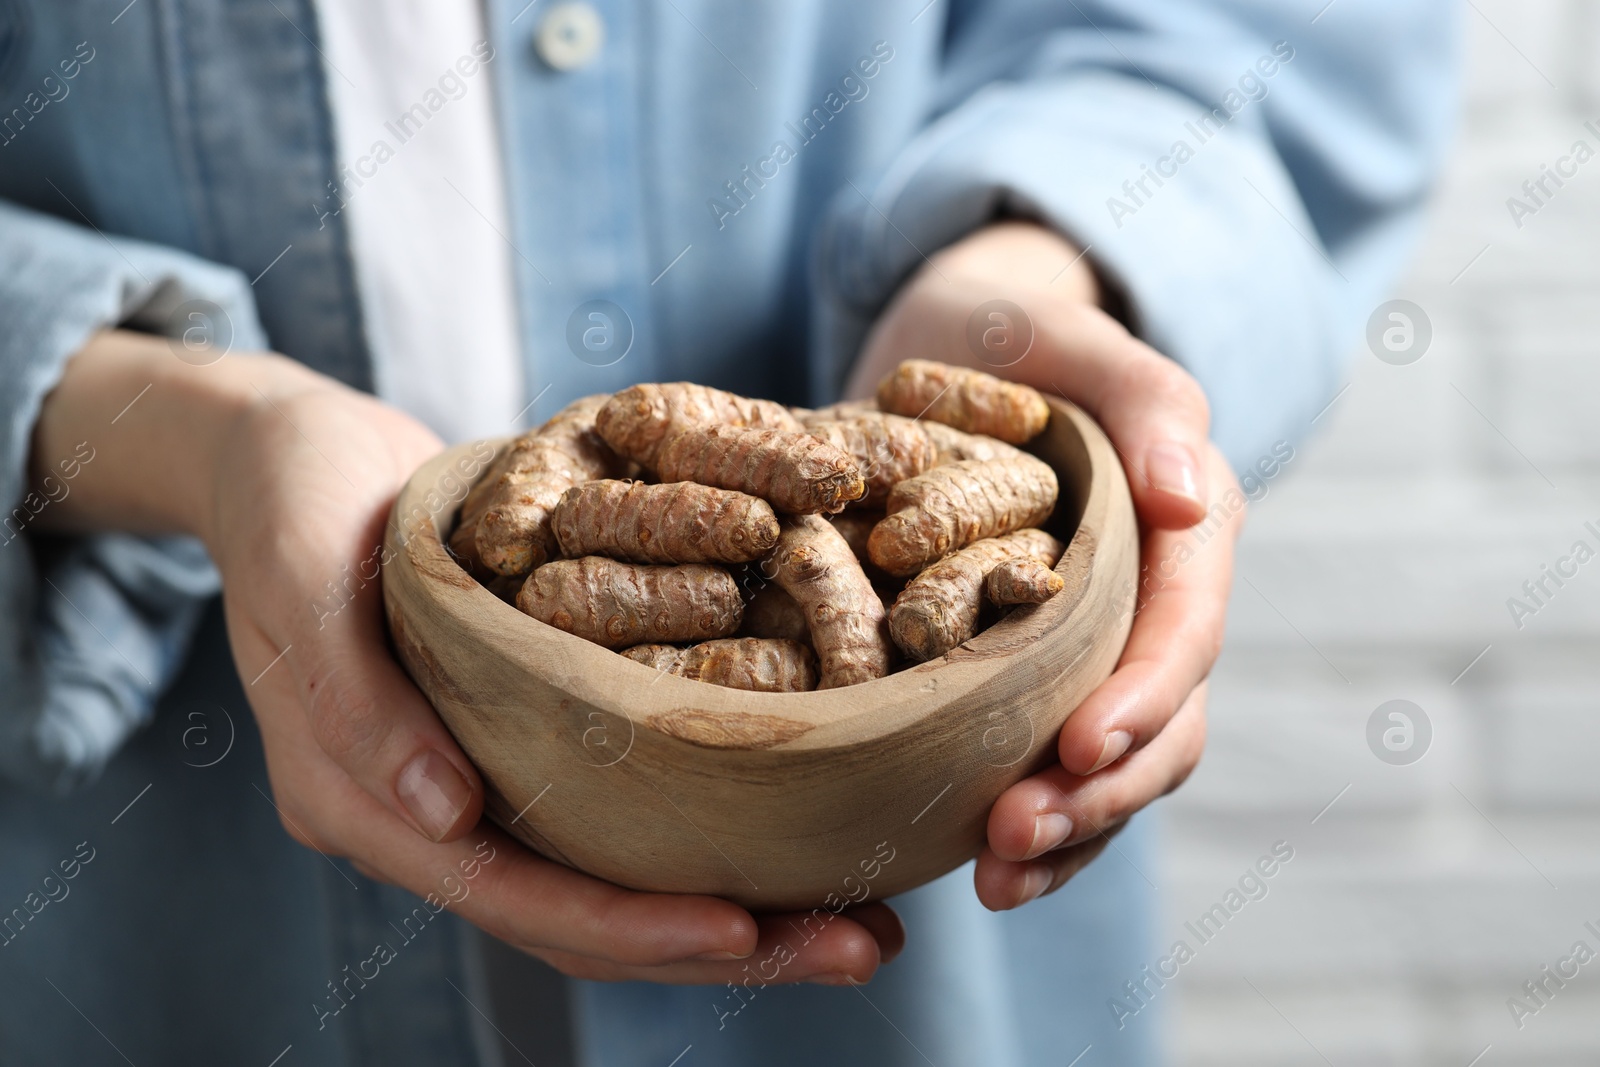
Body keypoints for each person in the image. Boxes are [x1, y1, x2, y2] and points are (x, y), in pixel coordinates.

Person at [0, 1, 1455, 1063]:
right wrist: (186, 430)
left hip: (917, 883)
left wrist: (1032, 264)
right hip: (171, 914)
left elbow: (1255, 43)